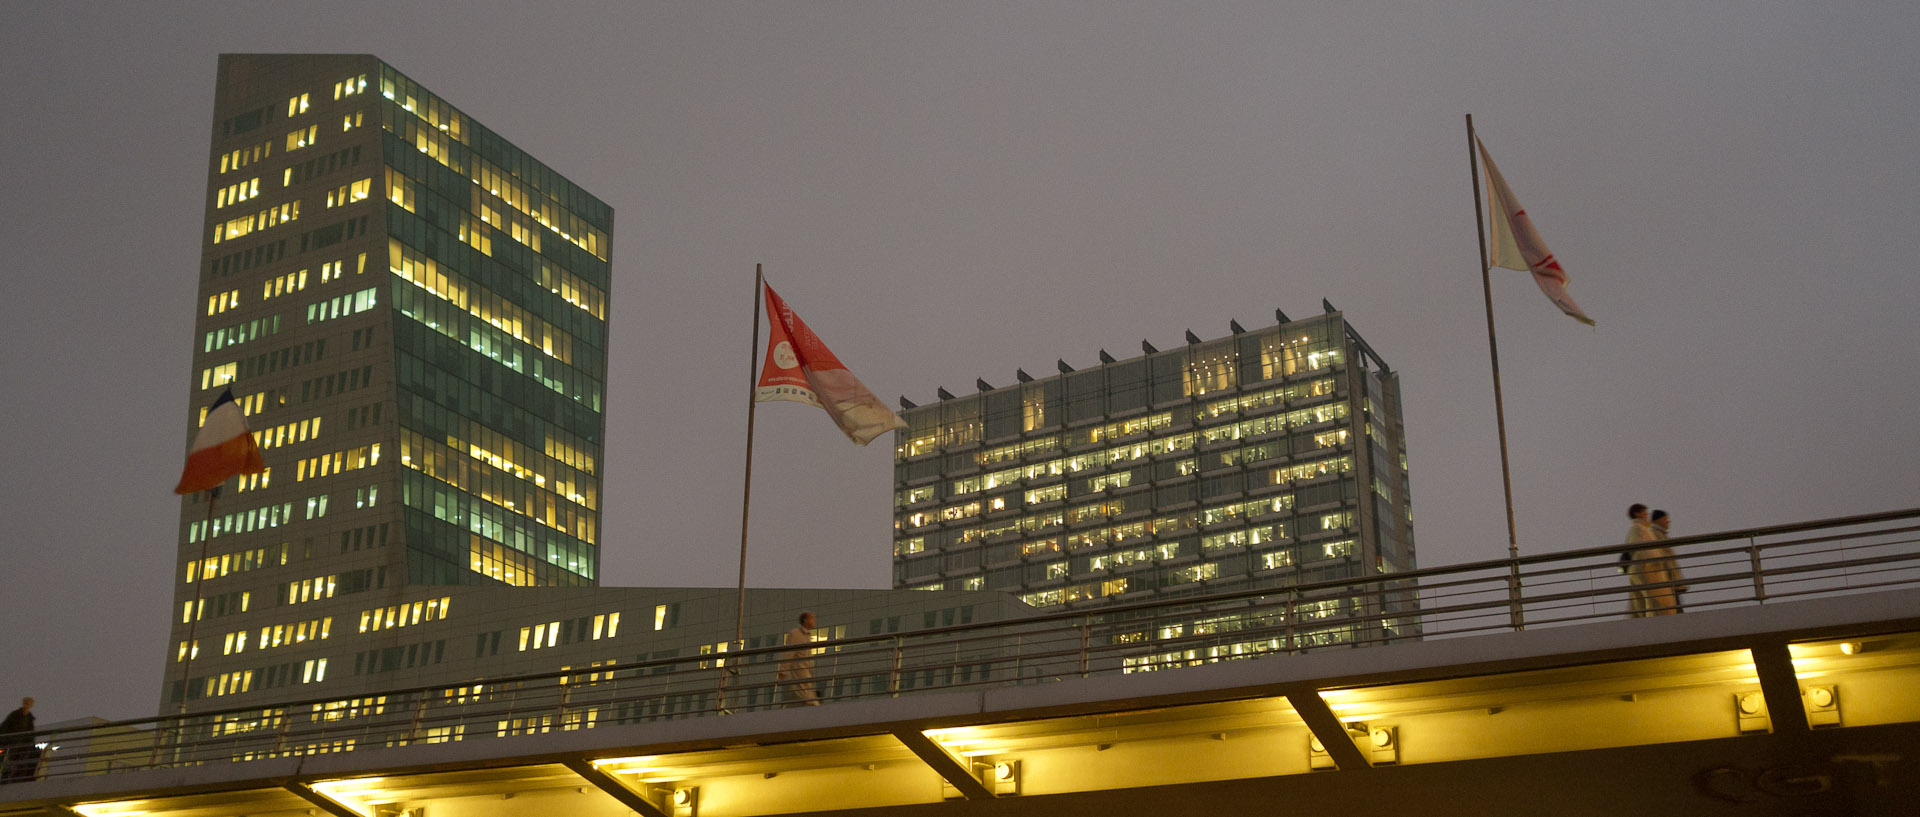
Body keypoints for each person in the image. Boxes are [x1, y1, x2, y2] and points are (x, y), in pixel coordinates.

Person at [1641, 510, 1688, 615]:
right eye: (1665, 518)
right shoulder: (1655, 534)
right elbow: (1664, 559)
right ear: (1659, 520)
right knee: (1675, 613)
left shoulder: (1660, 534)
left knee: (1676, 611)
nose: (1668, 521)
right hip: (1666, 580)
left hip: (1668, 580)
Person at [778, 612, 821, 706]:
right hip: (799, 672)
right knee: (808, 699)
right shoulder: (795, 634)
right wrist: (783, 670)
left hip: (806, 673)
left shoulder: (808, 636)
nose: (814, 621)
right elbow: (788, 653)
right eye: (811, 618)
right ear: (805, 620)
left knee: (806, 698)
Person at [1623, 504, 1656, 617]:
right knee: (1648, 597)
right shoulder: (1638, 528)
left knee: (1639, 600)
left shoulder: (1641, 528)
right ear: (1637, 514)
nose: (1647, 516)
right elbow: (1638, 548)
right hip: (1642, 568)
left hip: (1640, 568)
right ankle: (1649, 622)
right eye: (1645, 513)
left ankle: (1640, 623)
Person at [0, 697, 35, 783]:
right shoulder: (15, 714)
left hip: (22, 746)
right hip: (11, 743)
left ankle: (17, 779)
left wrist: (30, 743)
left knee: (19, 763)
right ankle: (4, 779)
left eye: (29, 703)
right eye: (26, 702)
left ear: (31, 705)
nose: (27, 704)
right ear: (23, 703)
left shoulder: (30, 718)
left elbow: (30, 733)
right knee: (8, 761)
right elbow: (4, 727)